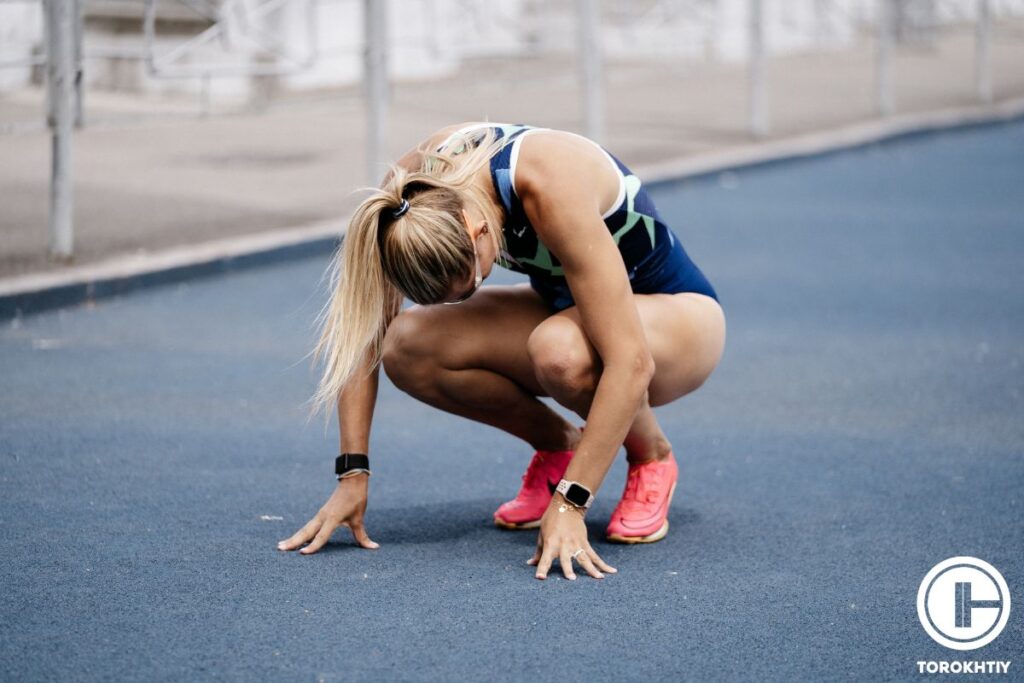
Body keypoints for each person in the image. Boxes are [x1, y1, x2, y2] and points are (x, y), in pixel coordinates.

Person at [277, 122, 726, 581]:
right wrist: (353, 475)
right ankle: (559, 449)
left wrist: (571, 503)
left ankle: (652, 455)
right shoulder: (407, 203)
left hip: (679, 318)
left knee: (560, 352)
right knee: (409, 345)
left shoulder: (548, 182)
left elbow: (631, 362)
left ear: (476, 230)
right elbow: (364, 335)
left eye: (470, 284)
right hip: (572, 311)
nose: (466, 298)